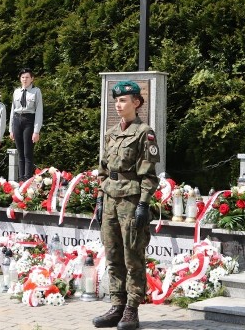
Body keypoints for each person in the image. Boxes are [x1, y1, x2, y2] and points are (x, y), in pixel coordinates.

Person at [93, 80, 159, 330]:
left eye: (123, 100)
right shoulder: (111, 134)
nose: (118, 105)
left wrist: (144, 204)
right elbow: (103, 170)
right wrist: (100, 199)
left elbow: (149, 174)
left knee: (133, 255)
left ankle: (132, 309)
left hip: (131, 201)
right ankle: (117, 305)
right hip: (110, 199)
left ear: (136, 103)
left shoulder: (144, 132)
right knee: (113, 254)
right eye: (116, 101)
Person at [9, 68, 43, 181]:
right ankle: (21, 179)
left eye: (27, 77)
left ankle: (28, 179)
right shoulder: (16, 91)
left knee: (27, 152)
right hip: (17, 120)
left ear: (32, 79)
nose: (25, 79)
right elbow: (12, 110)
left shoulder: (36, 91)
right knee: (20, 152)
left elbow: (39, 110)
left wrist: (36, 130)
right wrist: (11, 129)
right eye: (23, 77)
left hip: (29, 120)